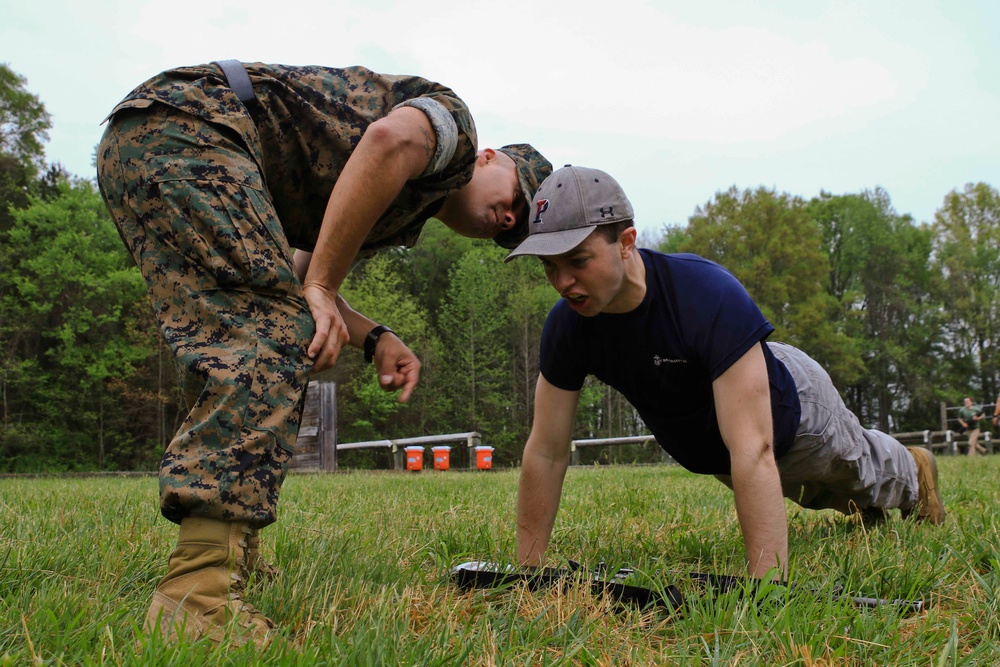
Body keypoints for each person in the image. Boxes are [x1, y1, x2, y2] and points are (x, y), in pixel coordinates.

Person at [96, 60, 551, 646]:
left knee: (251, 339)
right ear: (490, 158)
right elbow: (387, 141)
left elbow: (297, 278)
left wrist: (372, 335)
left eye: (513, 232)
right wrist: (322, 289)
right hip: (195, 127)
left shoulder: (397, 213)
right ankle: (198, 598)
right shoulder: (453, 134)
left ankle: (227, 550)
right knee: (267, 337)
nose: (510, 218)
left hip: (150, 138)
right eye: (519, 196)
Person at [506, 166, 944, 581]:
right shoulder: (569, 327)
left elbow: (753, 449)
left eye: (578, 260)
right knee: (819, 496)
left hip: (793, 408)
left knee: (856, 468)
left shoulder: (704, 294)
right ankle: (864, 508)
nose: (562, 281)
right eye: (550, 266)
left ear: (626, 241)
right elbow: (546, 451)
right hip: (722, 444)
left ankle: (914, 470)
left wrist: (767, 587)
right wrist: (528, 572)